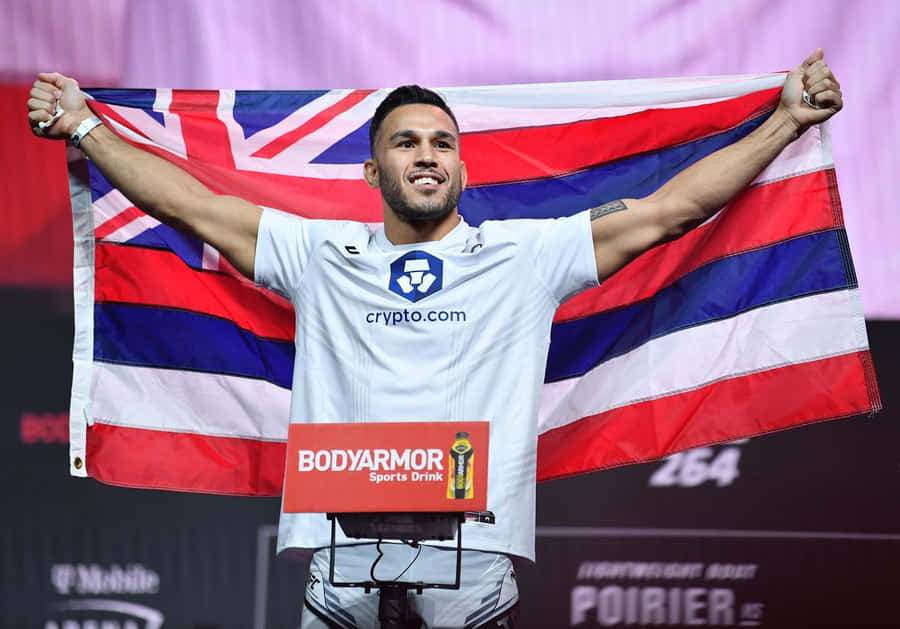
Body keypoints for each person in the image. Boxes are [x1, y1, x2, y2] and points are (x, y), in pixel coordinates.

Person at [28, 50, 842, 628]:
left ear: (462, 167)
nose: (428, 155)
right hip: (340, 562)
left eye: (443, 143)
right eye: (406, 142)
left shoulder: (525, 256)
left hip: (472, 558)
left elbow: (672, 210)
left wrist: (783, 123)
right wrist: (84, 129)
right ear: (373, 172)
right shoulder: (319, 254)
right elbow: (194, 208)